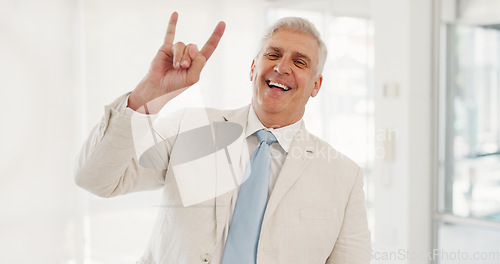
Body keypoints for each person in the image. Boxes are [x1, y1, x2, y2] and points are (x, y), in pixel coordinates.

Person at [76, 12, 370, 264]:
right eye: (273, 54)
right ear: (253, 68)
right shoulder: (191, 127)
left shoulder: (343, 177)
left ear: (316, 85)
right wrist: (148, 92)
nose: (282, 67)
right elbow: (95, 179)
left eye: (300, 62)